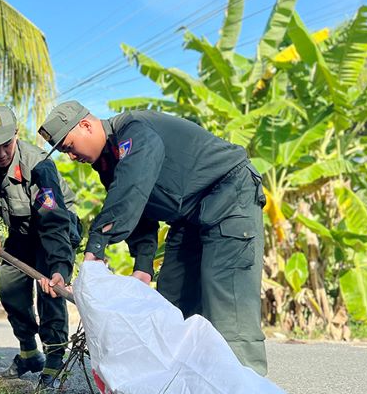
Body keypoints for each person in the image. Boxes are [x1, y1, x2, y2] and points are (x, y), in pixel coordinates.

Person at [38, 101, 268, 375]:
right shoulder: (107, 164)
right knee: (172, 300)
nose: (72, 157)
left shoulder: (134, 129)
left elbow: (132, 187)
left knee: (227, 301)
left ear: (86, 125)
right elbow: (142, 215)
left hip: (229, 195)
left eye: (69, 147)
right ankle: (189, 389)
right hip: (189, 217)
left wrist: (96, 247)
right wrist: (143, 267)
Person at [0, 105, 80, 388]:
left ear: (16, 134)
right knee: (10, 290)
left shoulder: (40, 166)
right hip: (21, 234)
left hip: (56, 228)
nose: (0, 154)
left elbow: (53, 222)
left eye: (5, 145)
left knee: (50, 291)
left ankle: (54, 356)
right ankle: (29, 354)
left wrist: (59, 267)